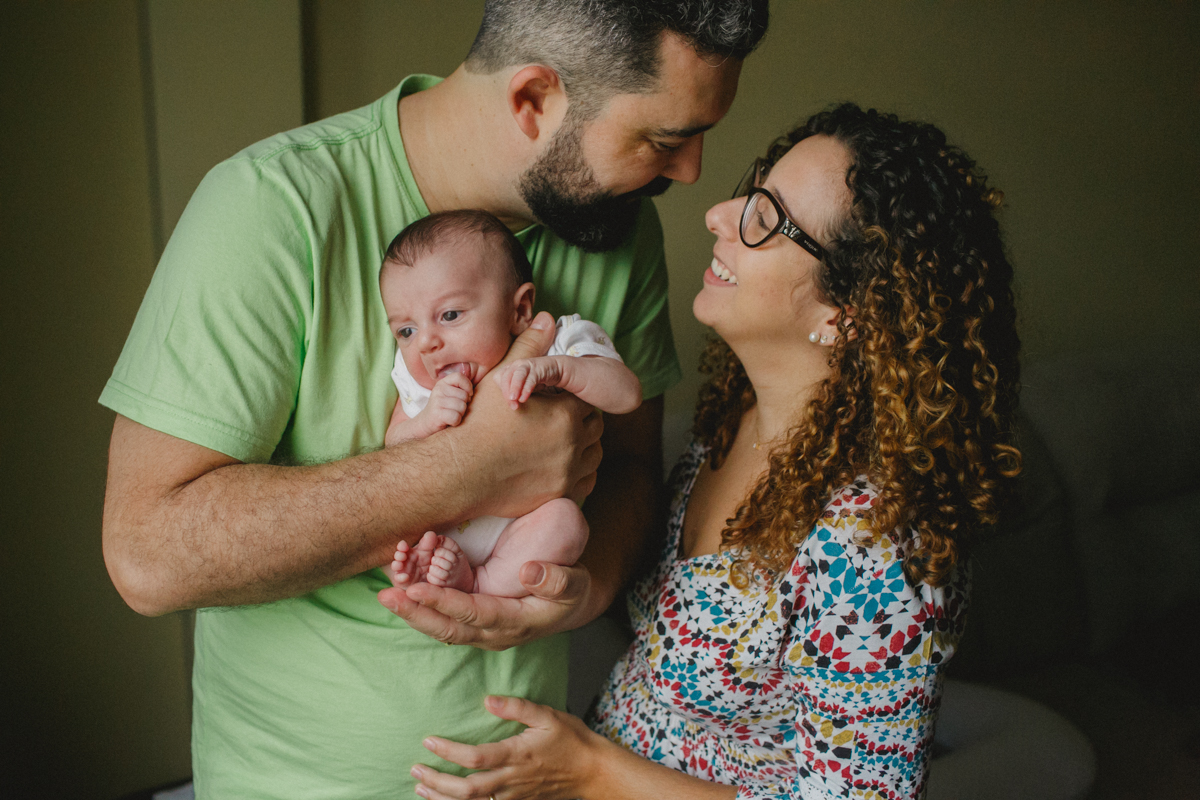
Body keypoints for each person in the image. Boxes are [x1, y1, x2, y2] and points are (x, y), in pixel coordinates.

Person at [98, 1, 768, 796]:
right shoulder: (270, 207)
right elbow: (147, 554)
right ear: (532, 100)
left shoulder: (618, 231)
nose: (690, 171)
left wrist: (581, 591)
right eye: (662, 138)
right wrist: (472, 466)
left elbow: (628, 473)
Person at [407, 103, 1022, 799]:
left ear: (845, 313)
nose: (719, 215)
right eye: (752, 190)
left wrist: (592, 770)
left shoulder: (873, 542)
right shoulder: (730, 432)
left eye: (768, 219)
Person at [380, 209, 641, 597]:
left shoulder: (558, 341)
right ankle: (423, 571)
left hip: (521, 533)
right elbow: (393, 450)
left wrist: (562, 370)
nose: (425, 343)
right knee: (384, 525)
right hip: (442, 531)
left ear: (519, 310)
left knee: (567, 524)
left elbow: (627, 395)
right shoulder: (418, 381)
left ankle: (483, 584)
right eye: (406, 330)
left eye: (449, 315)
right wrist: (427, 420)